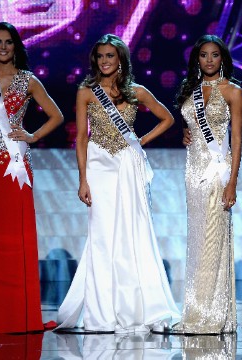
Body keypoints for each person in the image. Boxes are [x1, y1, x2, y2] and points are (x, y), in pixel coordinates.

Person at [56, 34, 180, 333]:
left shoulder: (136, 91)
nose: (104, 61)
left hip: (128, 166)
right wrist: (83, 179)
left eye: (110, 56)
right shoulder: (86, 92)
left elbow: (167, 118)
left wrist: (142, 140)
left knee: (132, 233)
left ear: (121, 58)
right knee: (101, 235)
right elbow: (81, 139)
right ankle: (101, 313)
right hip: (99, 166)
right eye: (100, 56)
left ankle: (135, 308)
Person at [0, 22, 63, 333]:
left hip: (15, 168)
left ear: (16, 46)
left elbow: (56, 115)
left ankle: (19, 314)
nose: (3, 47)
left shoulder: (27, 80)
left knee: (15, 238)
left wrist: (31, 136)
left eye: (8, 42)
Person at [173, 34, 242, 334]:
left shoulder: (233, 91)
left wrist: (233, 183)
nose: (209, 60)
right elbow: (191, 130)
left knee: (214, 240)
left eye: (215, 55)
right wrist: (185, 136)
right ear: (197, 59)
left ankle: (213, 315)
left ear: (222, 58)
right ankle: (195, 310)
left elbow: (238, 140)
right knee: (198, 240)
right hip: (193, 171)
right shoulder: (190, 90)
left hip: (217, 170)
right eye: (204, 55)